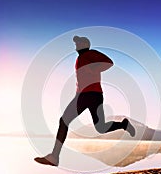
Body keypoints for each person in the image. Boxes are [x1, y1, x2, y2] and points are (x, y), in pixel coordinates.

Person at [34, 36, 135, 166]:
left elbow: (109, 62)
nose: (75, 45)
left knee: (64, 121)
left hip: (89, 95)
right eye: (75, 43)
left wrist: (94, 68)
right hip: (87, 95)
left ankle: (54, 157)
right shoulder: (80, 58)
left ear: (84, 44)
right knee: (101, 127)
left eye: (78, 43)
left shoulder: (90, 53)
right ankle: (123, 125)